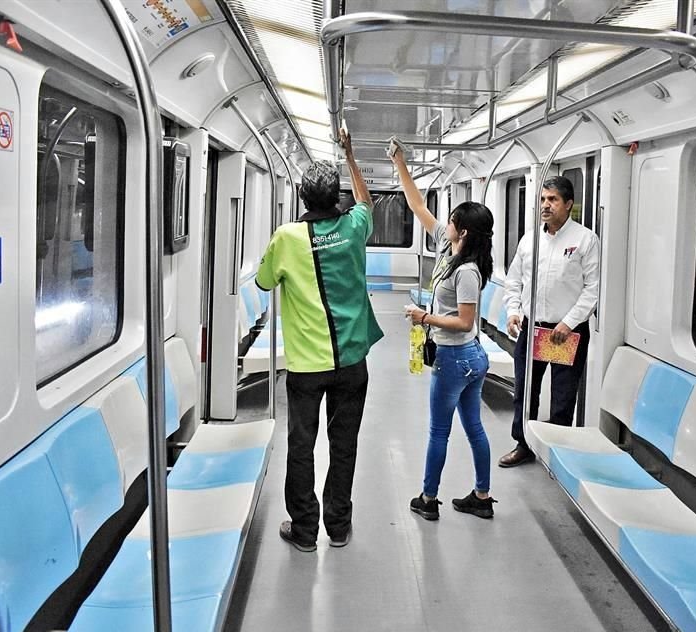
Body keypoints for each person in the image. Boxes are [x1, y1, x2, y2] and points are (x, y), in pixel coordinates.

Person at [256, 128, 383, 551]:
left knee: (302, 447)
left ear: (302, 198)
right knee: (344, 445)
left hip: (307, 366)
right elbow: (366, 202)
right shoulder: (354, 227)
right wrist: (350, 155)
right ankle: (339, 527)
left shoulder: (286, 238)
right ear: (337, 198)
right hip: (351, 363)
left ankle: (305, 530)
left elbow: (262, 280)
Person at [391, 144, 498, 520]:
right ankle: (482, 498)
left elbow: (465, 321)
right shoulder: (446, 249)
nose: (444, 222)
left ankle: (428, 498)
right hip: (468, 359)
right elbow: (418, 206)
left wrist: (425, 318)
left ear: (463, 231)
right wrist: (400, 164)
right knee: (473, 426)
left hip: (457, 357)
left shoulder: (467, 271)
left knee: (440, 431)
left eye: (451, 219)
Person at [498, 175, 599, 468]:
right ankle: (523, 443)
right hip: (534, 329)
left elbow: (593, 288)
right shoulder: (530, 240)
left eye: (552, 200)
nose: (546, 205)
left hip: (564, 333)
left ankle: (557, 451)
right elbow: (514, 280)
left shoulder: (584, 240)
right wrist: (514, 311)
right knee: (526, 389)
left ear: (568, 204)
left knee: (563, 396)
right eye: (543, 199)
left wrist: (568, 322)